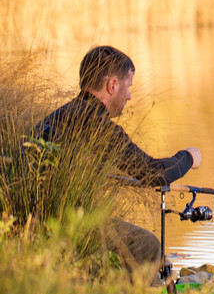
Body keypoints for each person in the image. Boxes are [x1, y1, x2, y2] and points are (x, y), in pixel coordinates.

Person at [35, 45, 202, 268]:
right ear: (113, 85)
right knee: (148, 245)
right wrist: (188, 157)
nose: (130, 96)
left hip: (36, 218)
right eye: (128, 86)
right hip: (63, 225)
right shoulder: (94, 124)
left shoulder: (61, 114)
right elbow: (156, 174)